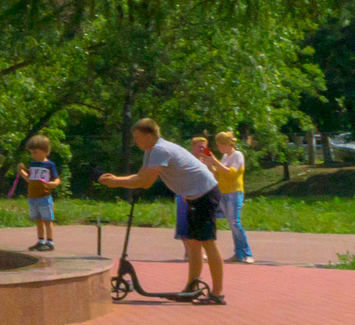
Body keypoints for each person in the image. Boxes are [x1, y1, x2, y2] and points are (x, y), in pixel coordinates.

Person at [99, 118, 227, 302]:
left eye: (137, 137)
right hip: (195, 195)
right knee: (192, 242)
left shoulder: (159, 150)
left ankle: (217, 293)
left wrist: (116, 182)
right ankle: (191, 288)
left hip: (205, 194)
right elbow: (142, 176)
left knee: (207, 242)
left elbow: (146, 182)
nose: (135, 141)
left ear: (149, 135)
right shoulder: (151, 151)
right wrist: (118, 180)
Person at [213, 129, 252, 264]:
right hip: (223, 192)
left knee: (235, 222)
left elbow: (232, 173)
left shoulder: (238, 155)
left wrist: (215, 162)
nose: (218, 148)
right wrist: (210, 165)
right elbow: (218, 174)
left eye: (219, 145)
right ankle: (238, 253)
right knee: (231, 223)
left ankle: (247, 253)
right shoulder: (224, 158)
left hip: (235, 192)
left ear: (226, 144)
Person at [19, 135, 61, 251]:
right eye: (31, 153)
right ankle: (40, 240)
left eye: (35, 152)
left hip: (44, 196)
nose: (33, 155)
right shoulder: (32, 165)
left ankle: (50, 242)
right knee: (38, 219)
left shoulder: (49, 165)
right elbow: (30, 179)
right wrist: (22, 172)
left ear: (45, 152)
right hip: (32, 196)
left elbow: (57, 179)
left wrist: (54, 184)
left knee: (47, 219)